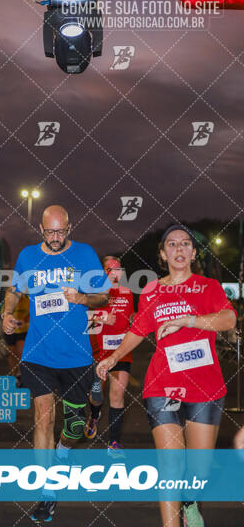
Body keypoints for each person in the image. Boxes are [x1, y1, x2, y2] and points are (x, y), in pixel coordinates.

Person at [97, 225, 236, 527]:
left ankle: (189, 500)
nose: (179, 248)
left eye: (185, 244)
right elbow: (137, 330)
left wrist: (187, 319)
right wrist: (113, 357)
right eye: (171, 244)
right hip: (163, 384)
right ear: (162, 254)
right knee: (171, 465)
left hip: (206, 386)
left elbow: (228, 319)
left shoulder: (209, 286)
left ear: (193, 252)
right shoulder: (152, 291)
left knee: (199, 470)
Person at [3, 205, 109, 522]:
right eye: (50, 231)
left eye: (60, 231)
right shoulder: (28, 257)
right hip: (38, 352)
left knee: (74, 426)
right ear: (40, 229)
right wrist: (7, 312)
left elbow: (103, 296)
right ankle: (46, 493)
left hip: (76, 354)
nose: (55, 237)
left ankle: (63, 451)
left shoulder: (85, 254)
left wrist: (82, 298)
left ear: (69, 227)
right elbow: (14, 290)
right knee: (42, 416)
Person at [84, 255, 134, 455]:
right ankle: (94, 415)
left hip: (122, 352)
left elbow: (131, 318)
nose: (115, 273)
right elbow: (82, 318)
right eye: (110, 269)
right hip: (99, 353)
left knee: (117, 395)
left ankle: (113, 443)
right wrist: (103, 317)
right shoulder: (94, 293)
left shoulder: (128, 293)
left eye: (118, 269)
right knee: (96, 395)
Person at [3, 294, 29, 387]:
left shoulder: (27, 299)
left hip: (23, 329)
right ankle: (13, 373)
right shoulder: (9, 299)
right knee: (12, 352)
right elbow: (4, 313)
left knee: (20, 352)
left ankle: (19, 373)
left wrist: (24, 320)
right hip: (11, 330)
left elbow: (32, 313)